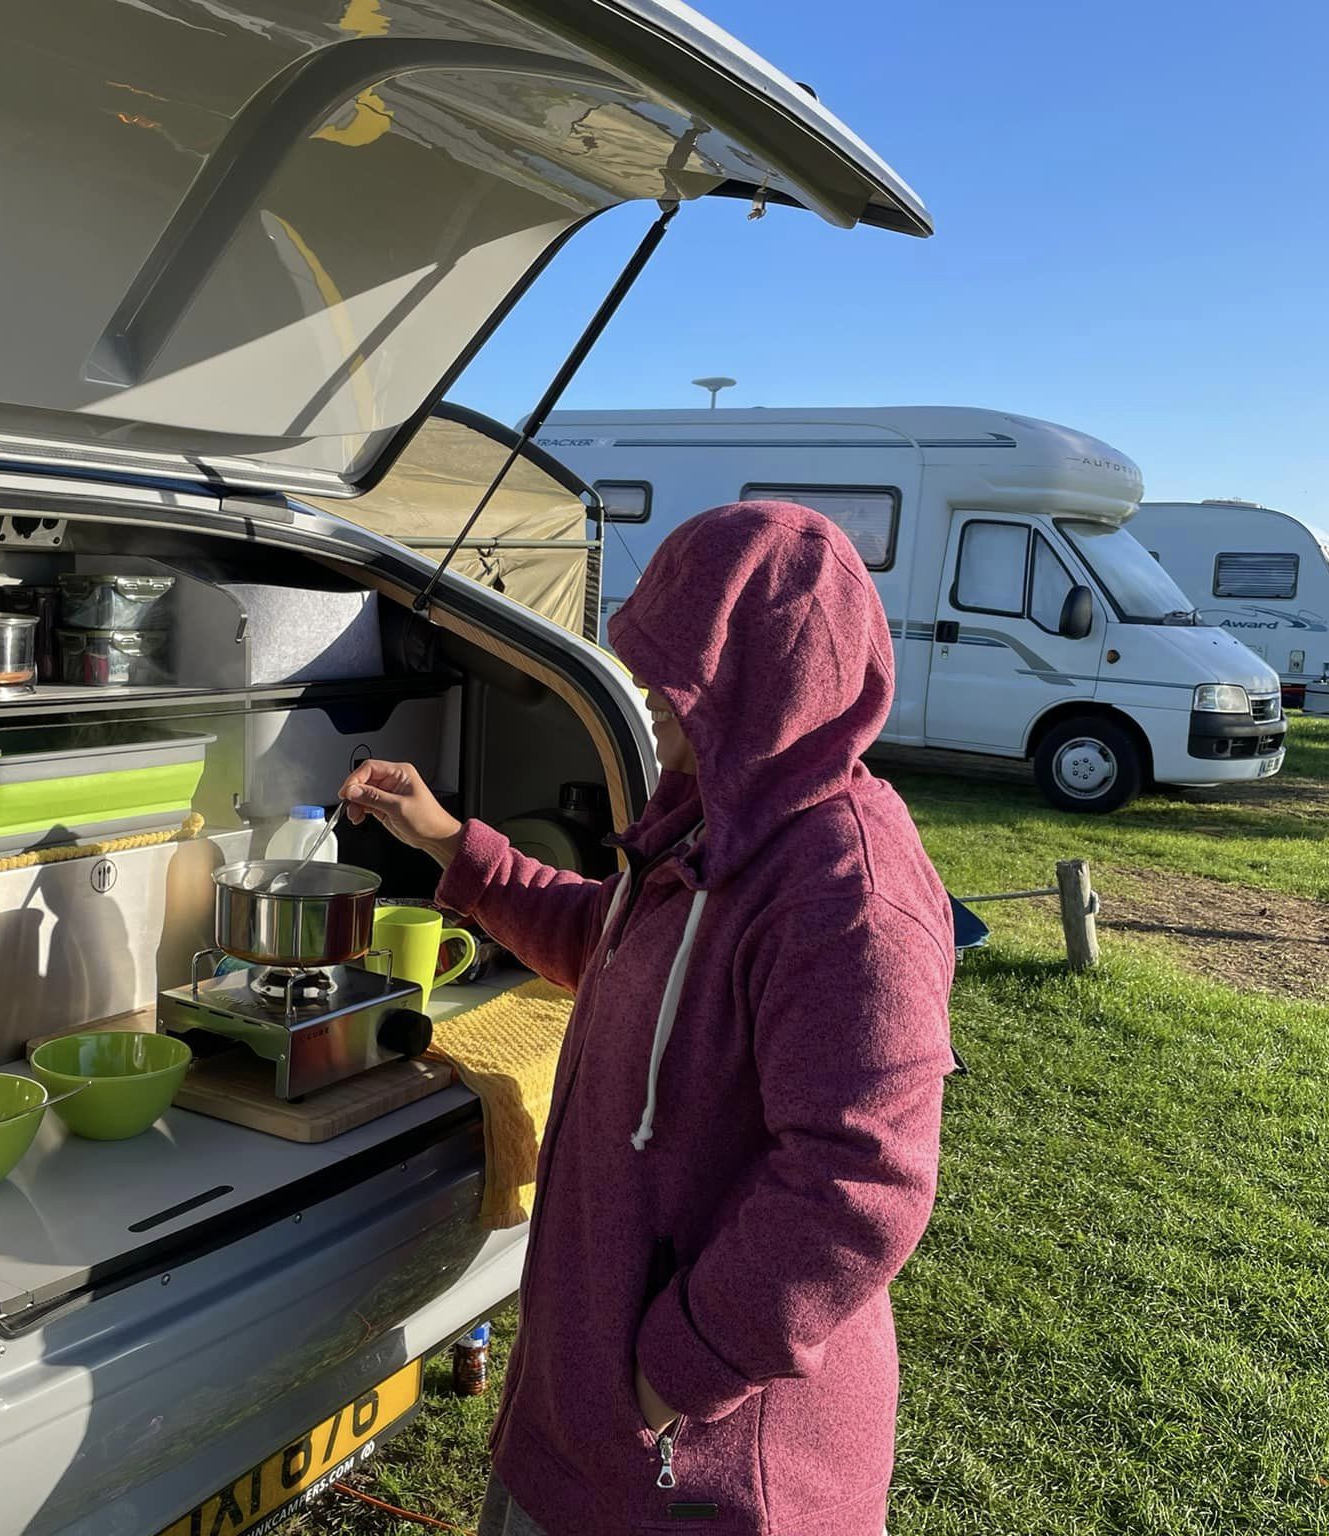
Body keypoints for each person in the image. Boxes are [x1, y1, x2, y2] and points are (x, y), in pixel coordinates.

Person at [340, 501, 957, 1536]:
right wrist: (447, 839)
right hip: (588, 1428)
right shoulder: (712, 824)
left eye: (680, 674)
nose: (646, 693)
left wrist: (675, 1372)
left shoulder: (845, 893)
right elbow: (614, 944)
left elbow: (860, 1186)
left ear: (766, 679)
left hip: (705, 1472)